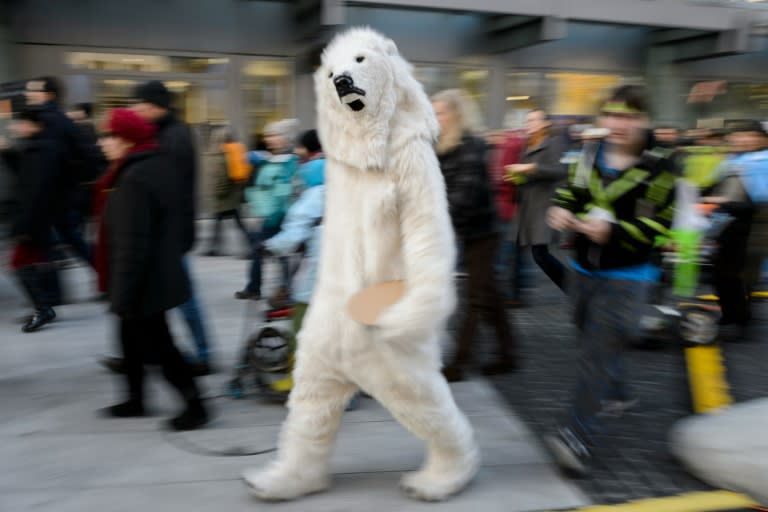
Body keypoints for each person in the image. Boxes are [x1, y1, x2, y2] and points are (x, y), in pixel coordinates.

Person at [544, 85, 679, 476]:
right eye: (612, 115)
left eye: (629, 117)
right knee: (591, 339)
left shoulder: (664, 165)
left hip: (628, 275)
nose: (619, 124)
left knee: (595, 354)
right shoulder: (588, 152)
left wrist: (614, 232)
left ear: (644, 120)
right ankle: (618, 391)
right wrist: (560, 211)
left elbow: (662, 223)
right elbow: (571, 192)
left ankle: (576, 437)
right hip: (584, 270)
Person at [98, 108, 208, 431]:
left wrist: (124, 291)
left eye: (108, 136)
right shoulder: (153, 164)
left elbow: (133, 241)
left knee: (160, 345)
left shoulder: (133, 178)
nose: (102, 143)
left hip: (144, 277)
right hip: (156, 269)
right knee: (130, 339)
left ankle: (196, 405)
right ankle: (135, 399)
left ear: (126, 139)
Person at [431, 89, 517, 382]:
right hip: (464, 230)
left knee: (476, 298)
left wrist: (434, 225)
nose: (435, 117)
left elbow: (462, 197)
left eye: (441, 111)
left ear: (457, 114)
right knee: (489, 294)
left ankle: (459, 363)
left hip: (483, 231)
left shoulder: (473, 146)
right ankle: (509, 355)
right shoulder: (440, 144)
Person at [702, 120, 768, 341]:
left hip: (756, 227)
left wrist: (720, 202)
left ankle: (743, 320)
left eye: (748, 135)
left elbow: (758, 202)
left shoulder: (763, 161)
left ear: (760, 139)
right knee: (720, 273)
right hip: (729, 226)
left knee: (742, 275)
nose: (741, 140)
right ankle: (731, 314)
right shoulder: (731, 161)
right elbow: (713, 186)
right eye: (738, 135)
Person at [25, 77, 101, 267]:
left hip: (54, 195)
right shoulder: (56, 118)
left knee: (64, 238)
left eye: (35, 90)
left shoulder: (49, 120)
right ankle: (102, 270)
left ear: (49, 95)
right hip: (61, 194)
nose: (29, 94)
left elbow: (50, 162)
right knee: (67, 237)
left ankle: (103, 271)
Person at [0, 106, 61, 332]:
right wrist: (7, 152)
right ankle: (43, 306)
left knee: (20, 264)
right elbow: (25, 177)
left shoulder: (41, 152)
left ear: (35, 125)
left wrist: (24, 225)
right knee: (32, 263)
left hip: (33, 221)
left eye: (21, 123)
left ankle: (43, 308)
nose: (17, 127)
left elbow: (34, 192)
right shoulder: (35, 149)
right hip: (36, 219)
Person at [234, 118, 299, 301]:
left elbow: (284, 190)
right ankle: (260, 288)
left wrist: (273, 212)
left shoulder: (289, 162)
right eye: (267, 135)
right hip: (270, 214)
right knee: (266, 251)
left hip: (280, 215)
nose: (269, 138)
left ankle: (282, 290)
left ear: (285, 138)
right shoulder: (271, 158)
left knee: (279, 253)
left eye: (274, 135)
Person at [505, 109, 568, 291]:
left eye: (533, 120)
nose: (529, 124)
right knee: (524, 253)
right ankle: (514, 293)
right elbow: (528, 175)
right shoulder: (528, 145)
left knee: (540, 255)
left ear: (545, 123)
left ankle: (573, 287)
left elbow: (559, 171)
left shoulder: (555, 143)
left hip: (543, 207)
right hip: (527, 209)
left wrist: (527, 168)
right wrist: (517, 177)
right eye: (527, 121)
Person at [202, 127, 252, 257]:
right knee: (221, 223)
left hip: (224, 197)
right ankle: (214, 248)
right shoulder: (234, 150)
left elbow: (221, 177)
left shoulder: (221, 153)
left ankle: (251, 248)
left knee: (237, 224)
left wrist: (219, 192)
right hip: (232, 195)